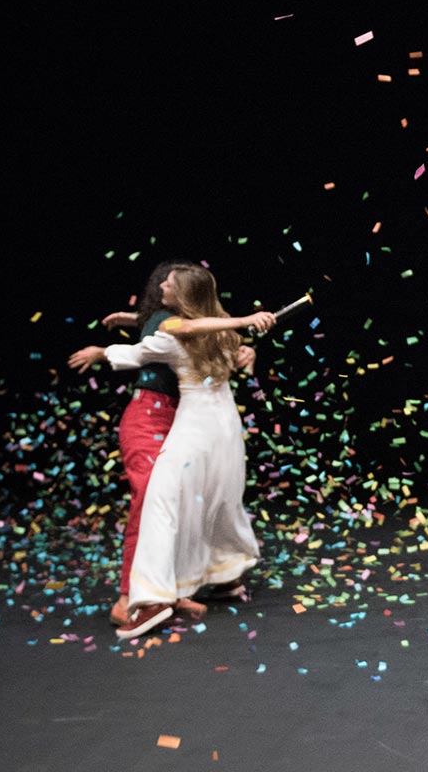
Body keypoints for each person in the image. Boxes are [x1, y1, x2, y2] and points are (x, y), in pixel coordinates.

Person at [69, 263, 274, 639]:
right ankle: (214, 578)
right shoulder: (213, 328)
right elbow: (191, 327)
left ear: (185, 297)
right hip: (221, 429)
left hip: (193, 427)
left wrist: (247, 349)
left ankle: (154, 597)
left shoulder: (201, 332)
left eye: (169, 283)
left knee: (183, 502)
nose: (160, 283)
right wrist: (244, 325)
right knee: (206, 499)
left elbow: (178, 336)